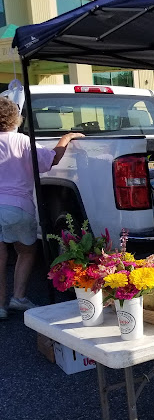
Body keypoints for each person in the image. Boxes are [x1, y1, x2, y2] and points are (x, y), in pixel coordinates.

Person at [0, 97, 83, 319]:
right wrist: (65, 138)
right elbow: (51, 160)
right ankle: (18, 297)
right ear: (15, 119)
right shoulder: (23, 141)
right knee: (26, 251)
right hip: (19, 206)